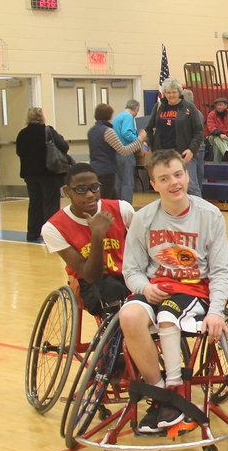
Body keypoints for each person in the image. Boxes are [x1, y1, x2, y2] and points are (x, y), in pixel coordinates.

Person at [119, 149, 228, 434]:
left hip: (194, 291)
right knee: (129, 316)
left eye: (178, 174)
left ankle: (174, 392)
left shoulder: (209, 215)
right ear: (153, 184)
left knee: (168, 317)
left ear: (187, 174)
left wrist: (217, 311)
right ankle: (159, 395)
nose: (174, 183)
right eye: (164, 178)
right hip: (155, 288)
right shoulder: (143, 219)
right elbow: (130, 270)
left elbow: (220, 271)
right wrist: (144, 287)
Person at [41, 163, 134, 314]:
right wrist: (97, 236)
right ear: (67, 191)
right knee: (112, 290)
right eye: (81, 189)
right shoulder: (53, 228)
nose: (90, 194)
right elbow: (91, 276)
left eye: (94, 187)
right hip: (88, 282)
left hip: (126, 274)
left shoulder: (122, 208)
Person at [16, 107, 70, 242]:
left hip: (30, 175)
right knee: (50, 204)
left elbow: (19, 152)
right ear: (42, 117)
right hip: (48, 173)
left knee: (35, 203)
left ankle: (32, 233)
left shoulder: (22, 133)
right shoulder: (48, 131)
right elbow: (64, 147)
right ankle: (51, 234)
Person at [145, 78, 204, 197]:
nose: (171, 95)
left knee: (191, 187)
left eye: (174, 92)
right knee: (166, 186)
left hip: (183, 154)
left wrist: (192, 150)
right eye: (168, 92)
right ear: (164, 93)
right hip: (162, 154)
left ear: (179, 92)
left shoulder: (189, 107)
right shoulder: (159, 106)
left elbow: (199, 132)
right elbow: (149, 128)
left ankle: (199, 214)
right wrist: (147, 144)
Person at [88, 103, 146, 200]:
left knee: (109, 197)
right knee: (107, 200)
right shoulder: (108, 131)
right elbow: (123, 150)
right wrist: (140, 139)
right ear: (110, 116)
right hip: (107, 171)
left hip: (95, 169)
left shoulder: (92, 131)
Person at [112, 99, 143, 203]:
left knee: (119, 181)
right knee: (127, 181)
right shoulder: (128, 117)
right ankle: (126, 206)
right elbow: (127, 133)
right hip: (126, 152)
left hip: (116, 153)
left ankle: (118, 205)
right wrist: (139, 140)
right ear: (136, 109)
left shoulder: (117, 117)